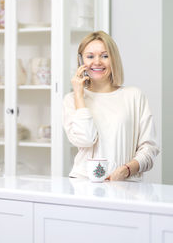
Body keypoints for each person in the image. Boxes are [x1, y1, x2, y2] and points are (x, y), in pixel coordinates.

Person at [62, 30, 159, 181]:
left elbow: (149, 147)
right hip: (83, 183)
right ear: (81, 61)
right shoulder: (71, 99)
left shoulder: (134, 96)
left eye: (105, 55)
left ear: (113, 59)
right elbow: (86, 139)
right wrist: (79, 96)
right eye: (90, 56)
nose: (97, 62)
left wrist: (126, 170)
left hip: (126, 185)